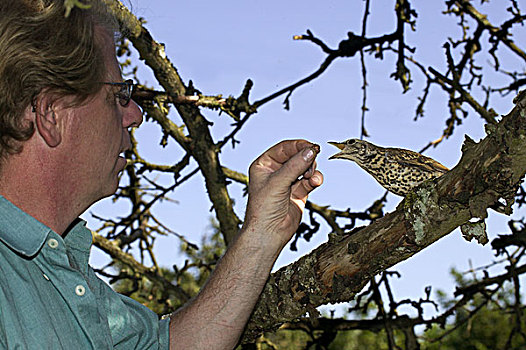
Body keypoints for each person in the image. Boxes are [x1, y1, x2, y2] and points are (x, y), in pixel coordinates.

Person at [0, 1, 323, 349]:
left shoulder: (59, 272)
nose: (136, 115)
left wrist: (263, 233)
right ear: (51, 114)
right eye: (119, 95)